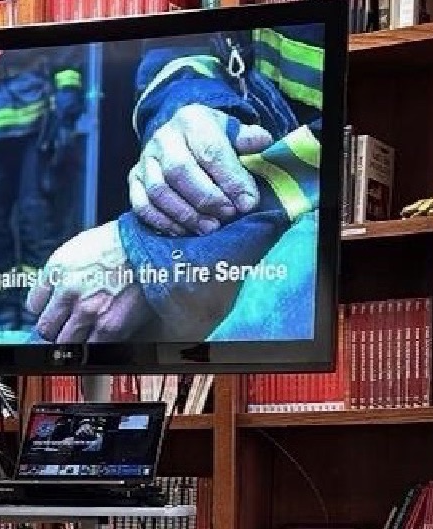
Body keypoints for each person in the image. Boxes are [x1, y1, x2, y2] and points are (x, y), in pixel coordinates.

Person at [25, 26, 325, 344]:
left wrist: (149, 259)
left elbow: (349, 146)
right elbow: (179, 39)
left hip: (316, 233)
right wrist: (187, 114)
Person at [0, 45, 87, 331]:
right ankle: (5, 309)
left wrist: (67, 96)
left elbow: (67, 50)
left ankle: (37, 308)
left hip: (37, 120)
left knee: (38, 221)